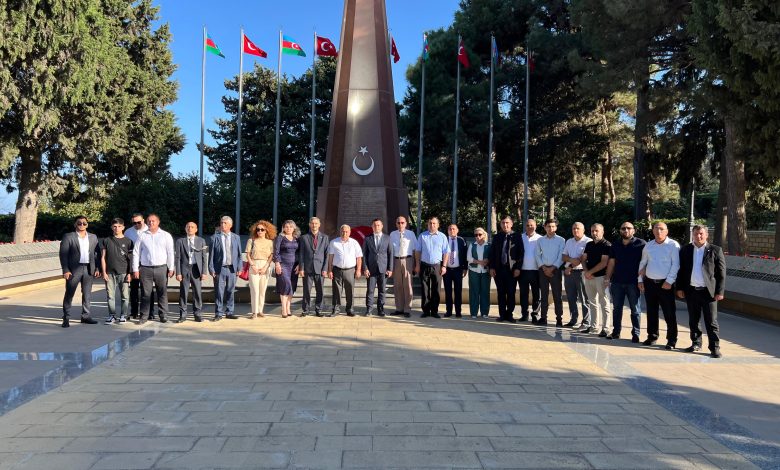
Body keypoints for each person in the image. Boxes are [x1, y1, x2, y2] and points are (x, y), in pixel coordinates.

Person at [676, 225, 726, 358]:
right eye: (696, 234)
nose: (698, 236)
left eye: (701, 233)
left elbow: (721, 273)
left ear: (706, 235)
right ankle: (696, 343)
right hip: (691, 291)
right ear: (692, 235)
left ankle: (714, 347)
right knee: (693, 320)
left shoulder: (715, 250)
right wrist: (679, 288)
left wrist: (720, 291)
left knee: (711, 321)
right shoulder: (686, 250)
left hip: (708, 293)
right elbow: (681, 270)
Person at [638, 222, 680, 350]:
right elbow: (643, 263)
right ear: (653, 231)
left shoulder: (673, 245)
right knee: (651, 312)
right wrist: (640, 280)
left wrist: (669, 281)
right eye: (656, 228)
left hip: (665, 284)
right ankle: (652, 336)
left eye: (661, 229)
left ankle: (671, 340)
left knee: (669, 313)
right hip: (650, 283)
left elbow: (676, 264)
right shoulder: (649, 245)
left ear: (667, 231)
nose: (658, 231)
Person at [605, 222, 646, 342]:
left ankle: (636, 334)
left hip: (634, 282)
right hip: (617, 282)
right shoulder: (615, 245)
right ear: (620, 230)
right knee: (617, 309)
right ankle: (616, 332)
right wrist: (607, 278)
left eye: (629, 228)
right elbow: (611, 263)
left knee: (635, 310)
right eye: (623, 228)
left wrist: (642, 279)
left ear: (633, 230)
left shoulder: (641, 244)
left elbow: (646, 262)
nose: (626, 230)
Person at [132, 213, 175, 324]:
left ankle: (163, 315)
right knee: (145, 294)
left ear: (158, 222)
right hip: (145, 269)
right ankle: (144, 316)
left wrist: (171, 267)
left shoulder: (166, 235)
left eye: (153, 221)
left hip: (161, 268)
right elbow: (136, 252)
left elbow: (170, 252)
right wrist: (135, 269)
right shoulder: (142, 235)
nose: (151, 223)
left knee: (162, 293)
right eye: (149, 221)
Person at [59, 215, 100, 328]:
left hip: (88, 269)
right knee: (69, 293)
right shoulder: (68, 236)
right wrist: (65, 269)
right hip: (73, 270)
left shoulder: (93, 237)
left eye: (84, 223)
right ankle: (66, 317)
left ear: (87, 224)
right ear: (75, 224)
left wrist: (97, 268)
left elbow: (97, 253)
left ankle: (85, 316)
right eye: (79, 223)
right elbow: (63, 254)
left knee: (87, 294)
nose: (82, 225)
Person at [208, 215, 242, 321]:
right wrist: (211, 269)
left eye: (225, 223)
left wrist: (239, 268)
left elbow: (239, 255)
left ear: (230, 225)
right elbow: (211, 255)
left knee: (231, 291)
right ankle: (218, 313)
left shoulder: (236, 237)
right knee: (219, 292)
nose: (222, 225)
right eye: (221, 223)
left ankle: (229, 312)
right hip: (220, 269)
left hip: (232, 269)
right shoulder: (214, 237)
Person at [488, 216, 522, 322]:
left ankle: (509, 314)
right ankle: (502, 315)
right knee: (501, 293)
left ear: (511, 224)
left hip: (512, 270)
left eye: (507, 223)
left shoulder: (517, 236)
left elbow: (521, 253)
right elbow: (492, 253)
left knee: (511, 293)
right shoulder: (497, 237)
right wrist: (491, 267)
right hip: (499, 270)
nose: (505, 225)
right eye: (503, 223)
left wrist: (518, 268)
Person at [415, 217, 450, 318]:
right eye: (430, 223)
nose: (432, 225)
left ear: (438, 225)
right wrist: (417, 265)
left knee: (436, 289)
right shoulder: (422, 236)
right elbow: (417, 251)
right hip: (424, 265)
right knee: (425, 289)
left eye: (434, 223)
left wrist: (444, 266)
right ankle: (426, 311)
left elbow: (446, 252)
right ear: (428, 224)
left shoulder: (442, 237)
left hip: (437, 266)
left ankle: (434, 311)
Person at [582, 224, 612, 337]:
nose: (594, 233)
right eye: (592, 231)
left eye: (597, 231)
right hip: (589, 277)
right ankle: (594, 327)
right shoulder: (589, 244)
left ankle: (606, 328)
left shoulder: (607, 245)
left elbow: (604, 262)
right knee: (592, 302)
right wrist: (586, 272)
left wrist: (589, 272)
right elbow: (583, 259)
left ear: (602, 232)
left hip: (601, 277)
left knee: (604, 303)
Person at [100, 218, 133, 324]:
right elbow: (103, 257)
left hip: (124, 272)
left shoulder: (128, 241)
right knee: (110, 296)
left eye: (119, 226)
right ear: (111, 227)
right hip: (109, 273)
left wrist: (130, 273)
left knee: (125, 296)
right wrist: (104, 272)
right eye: (114, 226)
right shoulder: (106, 240)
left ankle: (123, 315)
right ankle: (112, 315)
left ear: (123, 227)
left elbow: (130, 259)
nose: (117, 228)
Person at [174, 221, 207, 323]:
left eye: (192, 227)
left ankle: (197, 314)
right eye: (188, 227)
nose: (190, 228)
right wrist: (178, 272)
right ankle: (182, 314)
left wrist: (204, 272)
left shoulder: (201, 241)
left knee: (197, 292)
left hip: (196, 269)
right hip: (184, 269)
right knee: (183, 292)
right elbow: (178, 258)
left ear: (196, 229)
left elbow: (204, 257)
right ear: (185, 229)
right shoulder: (180, 241)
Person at [535, 218, 566, 326]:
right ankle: (543, 317)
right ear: (545, 227)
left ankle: (559, 318)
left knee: (557, 295)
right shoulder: (540, 240)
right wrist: (544, 268)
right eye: (548, 226)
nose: (551, 228)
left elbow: (561, 256)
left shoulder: (561, 240)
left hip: (555, 271)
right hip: (543, 270)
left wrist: (552, 268)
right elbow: (537, 255)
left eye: (553, 226)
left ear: (556, 227)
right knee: (544, 295)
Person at [327, 224, 363, 316]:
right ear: (340, 232)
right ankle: (336, 309)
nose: (344, 233)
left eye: (346, 231)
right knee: (336, 291)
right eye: (343, 231)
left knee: (350, 290)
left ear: (350, 232)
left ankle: (350, 309)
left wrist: (358, 270)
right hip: (337, 270)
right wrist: (329, 270)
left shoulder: (354, 243)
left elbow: (359, 257)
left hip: (350, 270)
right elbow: (330, 257)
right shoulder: (334, 242)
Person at [297, 217, 329, 317]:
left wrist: (325, 269)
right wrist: (301, 268)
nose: (314, 225)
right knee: (306, 290)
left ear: (319, 225)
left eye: (316, 223)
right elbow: (301, 254)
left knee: (320, 291)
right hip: (308, 268)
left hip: (320, 268)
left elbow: (327, 254)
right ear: (309, 225)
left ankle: (318, 310)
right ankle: (306, 310)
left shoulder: (325, 237)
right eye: (312, 223)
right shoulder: (304, 238)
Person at [563, 222, 591, 329]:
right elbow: (563, 256)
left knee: (584, 298)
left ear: (583, 230)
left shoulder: (588, 241)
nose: (575, 230)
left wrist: (570, 266)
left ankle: (586, 322)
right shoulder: (569, 241)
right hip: (569, 274)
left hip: (581, 272)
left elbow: (582, 258)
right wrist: (570, 260)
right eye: (573, 228)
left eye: (578, 228)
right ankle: (573, 319)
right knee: (571, 297)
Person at [389, 216, 419, 318]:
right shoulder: (392, 234)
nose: (400, 224)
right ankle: (399, 308)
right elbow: (390, 250)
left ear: (406, 223)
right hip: (396, 260)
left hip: (407, 260)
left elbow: (415, 250)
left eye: (402, 223)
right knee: (397, 285)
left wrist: (416, 264)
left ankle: (407, 309)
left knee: (407, 285)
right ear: (396, 224)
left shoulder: (411, 234)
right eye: (398, 223)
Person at [362, 218, 393, 316]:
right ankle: (369, 309)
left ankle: (381, 310)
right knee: (370, 290)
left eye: (378, 225)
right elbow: (364, 254)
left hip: (383, 269)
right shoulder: (367, 238)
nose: (377, 227)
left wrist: (390, 269)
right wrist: (365, 268)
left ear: (382, 226)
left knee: (382, 290)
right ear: (372, 227)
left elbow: (390, 254)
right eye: (375, 225)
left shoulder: (387, 238)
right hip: (371, 270)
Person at [246, 220, 275, 319]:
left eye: (262, 229)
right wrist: (253, 266)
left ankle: (260, 311)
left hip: (265, 265)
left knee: (262, 290)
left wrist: (265, 267)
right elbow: (248, 255)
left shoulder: (270, 242)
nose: (260, 231)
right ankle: (254, 312)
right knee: (254, 290)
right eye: (258, 229)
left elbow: (271, 255)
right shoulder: (251, 241)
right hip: (254, 264)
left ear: (266, 231)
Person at [274, 220, 300, 318]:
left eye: (290, 227)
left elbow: (299, 253)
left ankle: (288, 307)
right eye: (286, 226)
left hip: (294, 266)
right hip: (283, 265)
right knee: (285, 285)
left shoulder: (297, 239)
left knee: (292, 286)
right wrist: (277, 264)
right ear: (283, 228)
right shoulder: (280, 238)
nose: (288, 228)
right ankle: (283, 308)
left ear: (294, 228)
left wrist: (299, 265)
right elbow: (276, 251)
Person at [124, 213, 147, 319]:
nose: (137, 224)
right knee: (133, 289)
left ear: (143, 220)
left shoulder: (149, 230)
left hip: (146, 263)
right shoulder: (128, 232)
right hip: (133, 263)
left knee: (146, 290)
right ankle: (134, 312)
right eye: (134, 223)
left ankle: (148, 313)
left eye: (139, 222)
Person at [519, 218, 542, 322]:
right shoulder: (520, 237)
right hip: (523, 270)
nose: (530, 227)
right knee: (523, 294)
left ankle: (535, 314)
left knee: (536, 294)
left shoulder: (540, 238)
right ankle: (524, 314)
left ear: (536, 226)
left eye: (532, 225)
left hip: (536, 271)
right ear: (525, 226)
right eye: (528, 225)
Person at [443, 224, 467, 318]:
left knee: (458, 291)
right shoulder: (444, 240)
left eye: (453, 229)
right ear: (447, 231)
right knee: (448, 291)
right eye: (450, 229)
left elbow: (464, 254)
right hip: (447, 270)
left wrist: (465, 268)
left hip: (458, 270)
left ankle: (458, 312)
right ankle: (448, 311)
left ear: (457, 230)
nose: (452, 230)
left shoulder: (461, 240)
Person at [466, 227, 491, 318]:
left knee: (485, 292)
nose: (477, 236)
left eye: (479, 234)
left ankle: (484, 312)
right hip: (474, 271)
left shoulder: (489, 245)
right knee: (474, 292)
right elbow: (468, 258)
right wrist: (479, 262)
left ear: (484, 235)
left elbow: (492, 257)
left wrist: (488, 260)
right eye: (476, 235)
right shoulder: (472, 245)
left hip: (485, 271)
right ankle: (473, 313)